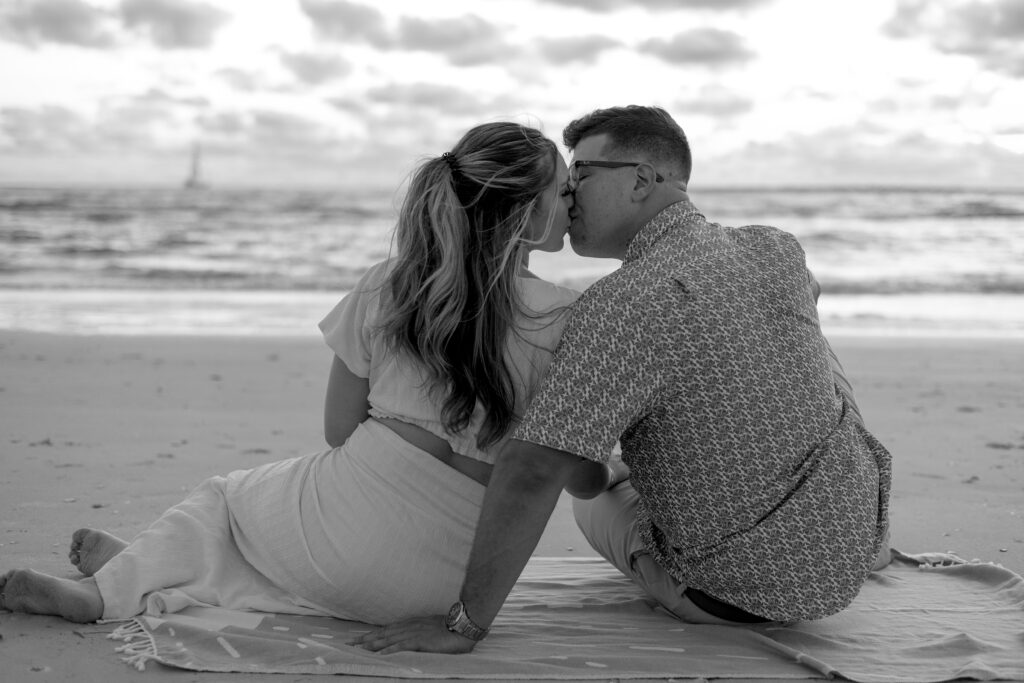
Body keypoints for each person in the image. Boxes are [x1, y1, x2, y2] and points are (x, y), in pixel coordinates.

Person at [354, 105, 892, 654]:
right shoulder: (777, 248)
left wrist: (463, 626)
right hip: (849, 545)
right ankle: (845, 522)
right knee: (809, 349)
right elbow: (803, 303)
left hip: (736, 596)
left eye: (581, 174)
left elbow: (533, 470)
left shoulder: (623, 304)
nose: (568, 194)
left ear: (640, 179)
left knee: (592, 494)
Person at [0, 121, 581, 624]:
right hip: (452, 581)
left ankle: (107, 593)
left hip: (344, 544)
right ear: (523, 210)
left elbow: (339, 428)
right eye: (563, 189)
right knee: (288, 538)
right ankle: (148, 565)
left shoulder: (390, 284)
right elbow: (563, 467)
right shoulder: (565, 315)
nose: (573, 199)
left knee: (229, 500)